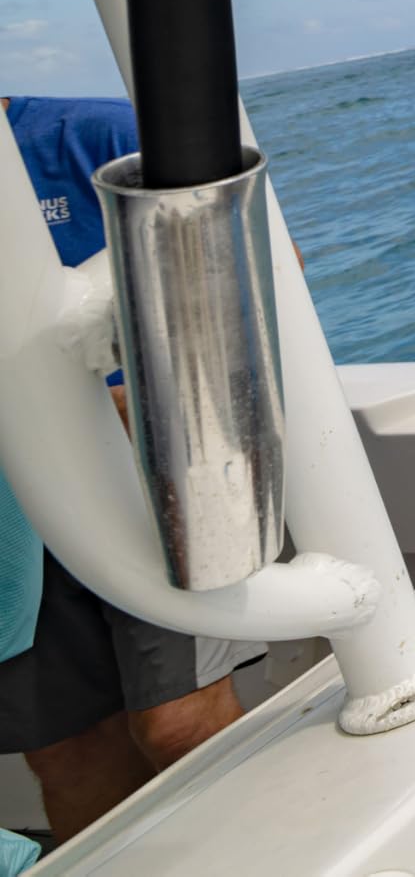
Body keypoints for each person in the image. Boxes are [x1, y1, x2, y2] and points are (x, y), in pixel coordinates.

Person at [0, 95, 266, 843]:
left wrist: (142, 395)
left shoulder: (99, 135)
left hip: (149, 487)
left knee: (179, 725)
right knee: (68, 757)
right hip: (14, 524)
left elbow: (267, 263)